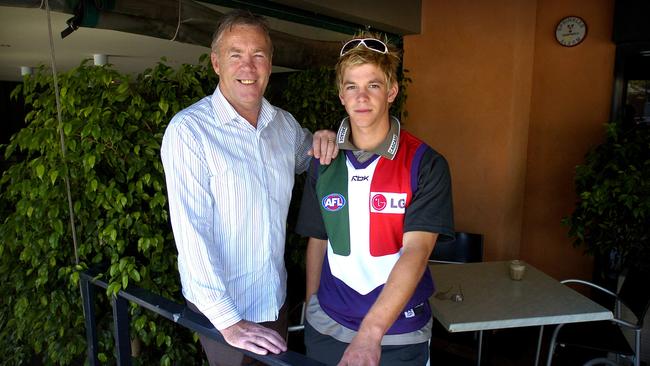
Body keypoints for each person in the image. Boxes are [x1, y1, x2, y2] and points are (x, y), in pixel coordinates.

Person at [160, 9, 337, 366]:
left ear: (270, 63)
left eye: (258, 55)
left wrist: (322, 139)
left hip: (274, 298)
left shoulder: (283, 126)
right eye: (235, 54)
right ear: (216, 63)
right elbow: (192, 235)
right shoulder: (189, 131)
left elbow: (308, 157)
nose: (248, 67)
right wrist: (228, 323)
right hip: (225, 311)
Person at [295, 34, 455, 366]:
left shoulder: (425, 163)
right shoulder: (323, 160)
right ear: (341, 96)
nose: (362, 97)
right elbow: (318, 239)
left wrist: (369, 335)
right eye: (352, 86)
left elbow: (417, 251)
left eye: (374, 85)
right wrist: (312, 306)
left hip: (399, 332)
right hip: (328, 327)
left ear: (392, 91)